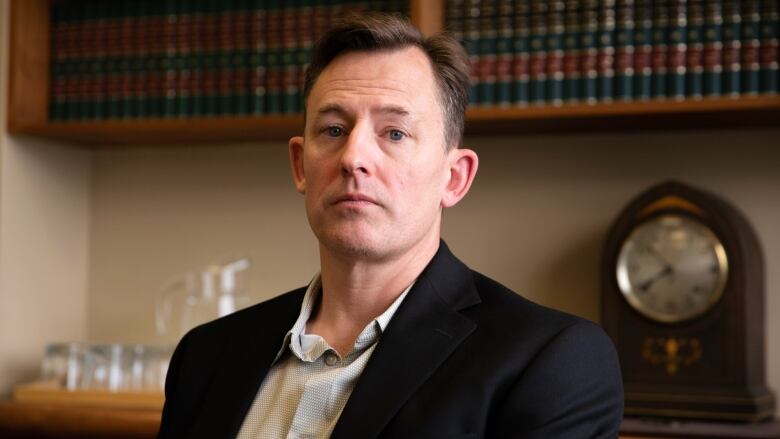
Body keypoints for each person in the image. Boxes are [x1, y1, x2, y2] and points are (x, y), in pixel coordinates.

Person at [158, 13, 623, 439]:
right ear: (301, 166)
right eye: (334, 130)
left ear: (454, 178)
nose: (354, 157)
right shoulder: (205, 356)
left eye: (394, 133)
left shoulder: (553, 361)